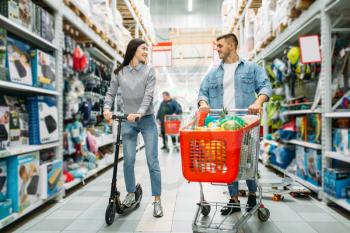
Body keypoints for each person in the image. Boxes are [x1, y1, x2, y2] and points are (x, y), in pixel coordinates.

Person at [197, 33, 272, 215]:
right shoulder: (214, 72)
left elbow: (265, 86)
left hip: (246, 123)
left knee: (248, 161)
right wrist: (204, 104)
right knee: (228, 161)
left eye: (220, 45)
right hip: (223, 125)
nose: (217, 49)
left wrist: (257, 102)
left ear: (232, 45)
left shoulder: (251, 68)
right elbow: (202, 92)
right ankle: (234, 200)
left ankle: (253, 194)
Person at [103, 38, 163, 218]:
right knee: (128, 160)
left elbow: (148, 96)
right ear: (134, 49)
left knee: (152, 161)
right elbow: (111, 92)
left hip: (146, 120)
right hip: (128, 120)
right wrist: (106, 108)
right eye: (144, 48)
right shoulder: (119, 72)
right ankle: (131, 193)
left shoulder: (149, 71)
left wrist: (139, 113)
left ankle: (157, 200)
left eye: (147, 49)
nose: (146, 51)